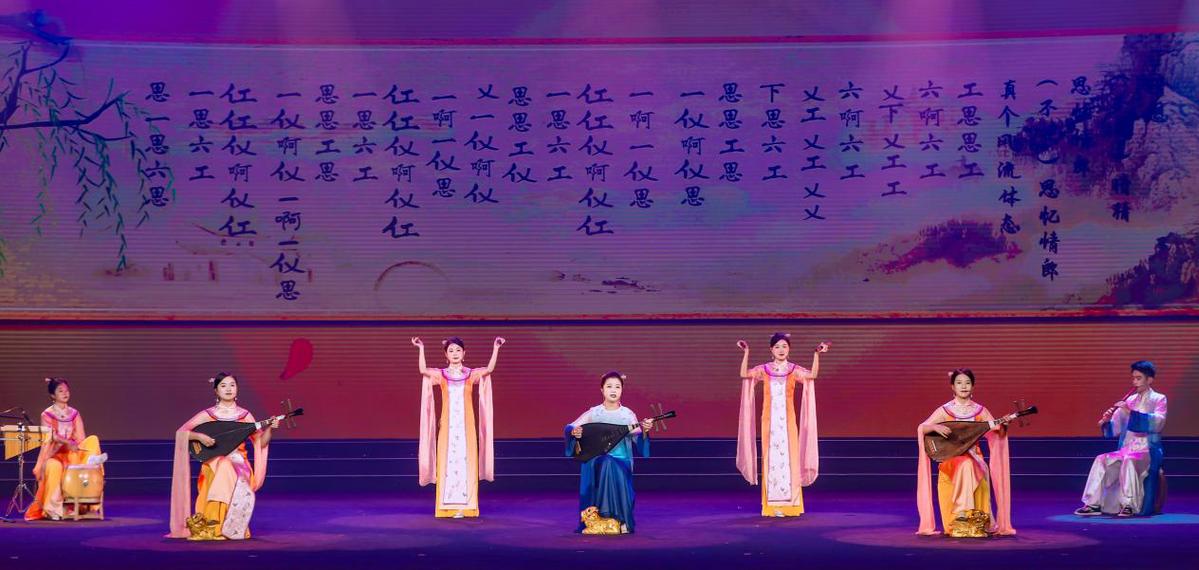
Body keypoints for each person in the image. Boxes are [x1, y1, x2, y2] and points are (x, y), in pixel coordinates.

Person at [167, 373, 277, 540]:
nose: (228, 389)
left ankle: (216, 525)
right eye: (223, 385)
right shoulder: (208, 414)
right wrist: (199, 437)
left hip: (239, 463)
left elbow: (260, 442)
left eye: (232, 385)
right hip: (213, 461)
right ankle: (214, 525)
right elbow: (181, 433)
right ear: (216, 391)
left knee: (225, 466)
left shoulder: (245, 415)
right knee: (223, 464)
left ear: (237, 389)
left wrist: (270, 428)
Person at [736, 333, 829, 517]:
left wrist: (816, 354)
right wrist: (746, 352)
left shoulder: (793, 370)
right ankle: (771, 506)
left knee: (789, 460)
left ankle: (791, 505)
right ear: (771, 350)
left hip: (788, 423)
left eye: (784, 346)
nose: (781, 350)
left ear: (789, 349)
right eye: (777, 346)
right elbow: (744, 374)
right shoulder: (764, 369)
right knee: (771, 460)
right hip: (769, 422)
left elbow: (812, 375)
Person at [916, 369, 1015, 537]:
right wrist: (934, 427)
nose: (964, 386)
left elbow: (995, 430)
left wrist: (1004, 424)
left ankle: (969, 517)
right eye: (959, 383)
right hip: (951, 458)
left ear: (973, 386)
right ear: (952, 387)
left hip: (975, 457)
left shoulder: (980, 411)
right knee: (965, 464)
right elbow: (922, 427)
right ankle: (962, 513)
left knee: (970, 463)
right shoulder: (945, 410)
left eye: (967, 383)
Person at [414, 336, 504, 518]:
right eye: (451, 351)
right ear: (446, 355)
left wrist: (496, 348)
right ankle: (446, 507)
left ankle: (467, 506)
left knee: (466, 462)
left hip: (466, 427)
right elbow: (423, 370)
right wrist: (421, 348)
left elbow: (489, 369)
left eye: (458, 350)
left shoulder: (470, 374)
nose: (454, 353)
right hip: (448, 427)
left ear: (464, 353)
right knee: (447, 462)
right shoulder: (442, 375)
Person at [1075, 361, 1167, 517]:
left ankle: (1128, 505)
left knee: (1130, 459)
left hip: (1146, 450)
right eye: (1133, 378)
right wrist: (1106, 422)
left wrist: (1130, 413)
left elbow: (1158, 422)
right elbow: (1116, 427)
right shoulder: (1130, 400)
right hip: (1128, 447)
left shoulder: (1159, 399)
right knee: (1101, 459)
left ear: (1149, 379)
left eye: (1139, 378)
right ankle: (1093, 503)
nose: (1135, 382)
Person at [565, 371, 653, 534]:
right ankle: (604, 518)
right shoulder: (594, 413)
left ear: (622, 390)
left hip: (622, 462)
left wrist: (646, 431)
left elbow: (639, 440)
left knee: (609, 462)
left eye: (617, 387)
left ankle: (618, 519)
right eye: (609, 386)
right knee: (605, 461)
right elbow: (571, 427)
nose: (613, 390)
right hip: (596, 462)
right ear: (602, 389)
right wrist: (574, 432)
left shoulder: (627, 414)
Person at [25, 377, 106, 521]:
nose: (65, 393)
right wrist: (66, 441)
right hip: (54, 454)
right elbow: (51, 436)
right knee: (53, 467)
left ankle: (91, 461)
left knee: (93, 439)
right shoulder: (47, 414)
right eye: (61, 391)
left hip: (72, 453)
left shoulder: (74, 413)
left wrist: (75, 444)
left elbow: (81, 437)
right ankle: (53, 510)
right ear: (52, 395)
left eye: (67, 390)